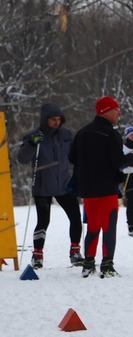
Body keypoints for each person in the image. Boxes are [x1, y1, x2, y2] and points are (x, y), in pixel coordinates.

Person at [69, 96, 133, 277]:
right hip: (106, 188)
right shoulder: (111, 134)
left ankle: (88, 263)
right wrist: (131, 158)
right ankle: (107, 265)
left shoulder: (82, 133)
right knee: (108, 225)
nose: (119, 114)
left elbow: (72, 158)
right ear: (105, 111)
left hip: (88, 189)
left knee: (93, 225)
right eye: (116, 110)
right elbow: (118, 161)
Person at [16, 102, 83, 269]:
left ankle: (75, 252)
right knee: (43, 221)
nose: (56, 122)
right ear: (45, 119)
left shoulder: (66, 134)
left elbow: (76, 155)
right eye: (53, 119)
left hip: (64, 184)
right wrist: (31, 144)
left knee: (75, 217)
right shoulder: (34, 136)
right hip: (42, 185)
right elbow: (22, 159)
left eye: (59, 119)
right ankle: (37, 255)